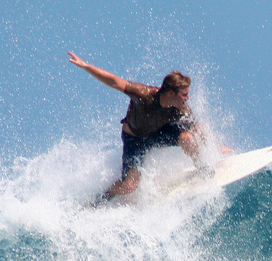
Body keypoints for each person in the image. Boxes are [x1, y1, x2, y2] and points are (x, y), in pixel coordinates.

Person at [68, 52, 229, 203]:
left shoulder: (181, 110)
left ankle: (202, 169)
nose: (188, 98)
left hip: (158, 134)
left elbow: (196, 127)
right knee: (129, 186)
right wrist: (86, 66)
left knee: (188, 138)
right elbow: (115, 82)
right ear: (171, 93)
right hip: (135, 139)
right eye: (184, 94)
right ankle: (103, 198)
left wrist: (215, 146)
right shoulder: (144, 95)